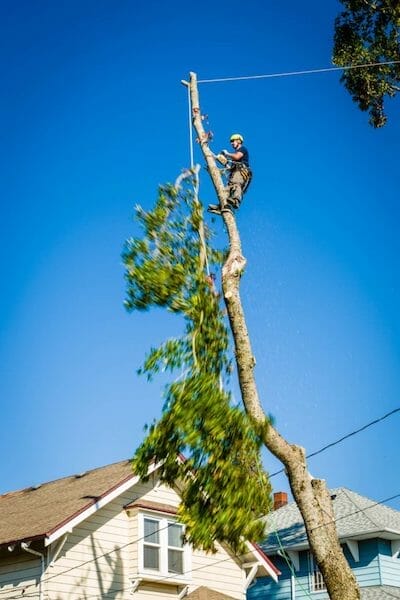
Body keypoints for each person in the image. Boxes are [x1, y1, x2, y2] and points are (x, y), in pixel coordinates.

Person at [208, 134, 252, 215]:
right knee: (225, 191)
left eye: (233, 141)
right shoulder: (235, 154)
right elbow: (230, 165)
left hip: (241, 171)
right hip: (234, 173)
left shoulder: (243, 149)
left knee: (236, 185)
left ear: (239, 141)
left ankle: (236, 200)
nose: (232, 143)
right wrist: (220, 159)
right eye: (231, 142)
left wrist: (227, 154)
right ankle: (222, 206)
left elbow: (237, 157)